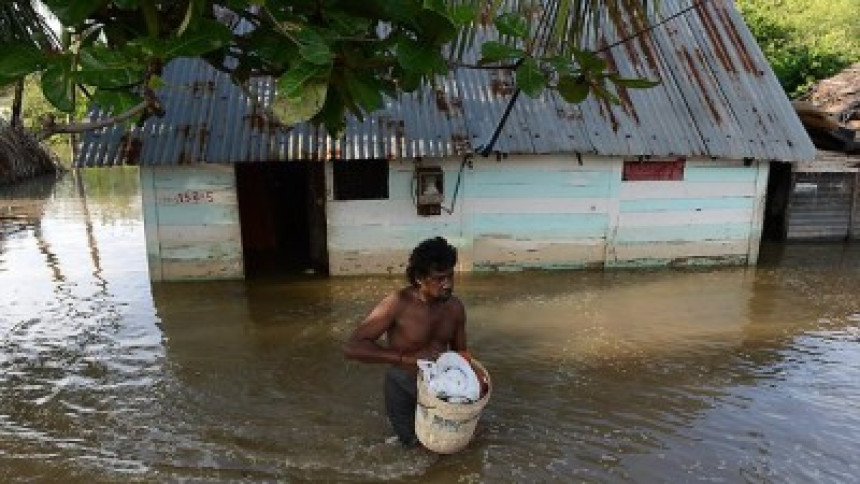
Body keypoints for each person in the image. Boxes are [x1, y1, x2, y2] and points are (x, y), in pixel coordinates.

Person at [343, 236, 468, 448]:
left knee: (452, 446)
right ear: (420, 278)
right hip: (402, 384)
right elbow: (352, 347)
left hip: (439, 389)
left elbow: (461, 354)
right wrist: (404, 358)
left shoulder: (455, 308)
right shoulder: (398, 303)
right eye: (439, 279)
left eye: (450, 276)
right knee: (412, 447)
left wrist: (475, 384)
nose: (448, 284)